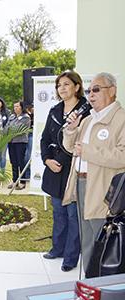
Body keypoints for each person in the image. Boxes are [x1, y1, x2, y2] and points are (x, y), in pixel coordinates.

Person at [63, 72, 125, 274]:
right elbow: (71, 148)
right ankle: (90, 284)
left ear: (112, 91)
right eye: (89, 90)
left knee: (102, 242)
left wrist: (88, 151)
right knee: (87, 239)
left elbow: (122, 156)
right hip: (81, 184)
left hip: (103, 189)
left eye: (96, 89)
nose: (91, 94)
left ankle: (100, 285)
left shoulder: (121, 119)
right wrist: (71, 130)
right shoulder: (88, 120)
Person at [41, 71, 89, 272]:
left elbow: (79, 142)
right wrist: (47, 160)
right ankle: (57, 249)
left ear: (77, 87)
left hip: (73, 169)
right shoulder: (54, 110)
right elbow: (44, 139)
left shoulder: (86, 111)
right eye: (59, 85)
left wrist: (58, 159)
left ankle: (70, 257)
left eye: (66, 84)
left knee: (72, 215)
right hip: (54, 170)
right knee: (58, 212)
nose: (62, 88)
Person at [6, 101, 31, 190]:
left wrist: (10, 129)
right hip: (11, 141)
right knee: (13, 162)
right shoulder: (12, 117)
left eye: (17, 106)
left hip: (20, 142)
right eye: (14, 106)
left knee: (21, 162)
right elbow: (7, 127)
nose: (15, 108)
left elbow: (18, 128)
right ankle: (14, 181)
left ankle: (22, 182)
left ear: (21, 107)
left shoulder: (26, 117)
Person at [0, 97, 11, 173]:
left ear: (2, 103)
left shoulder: (7, 112)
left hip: (4, 136)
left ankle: (2, 171)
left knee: (3, 155)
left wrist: (4, 132)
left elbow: (8, 124)